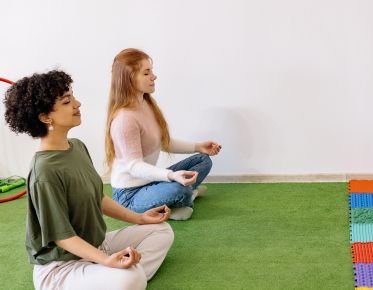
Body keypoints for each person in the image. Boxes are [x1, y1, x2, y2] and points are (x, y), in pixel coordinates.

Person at [3, 70, 174, 290]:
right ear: (45, 117)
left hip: (96, 245)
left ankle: (119, 274)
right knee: (131, 278)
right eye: (67, 101)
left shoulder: (77, 147)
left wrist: (139, 218)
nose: (77, 103)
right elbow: (62, 237)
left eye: (72, 96)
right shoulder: (43, 171)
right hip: (62, 268)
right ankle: (124, 275)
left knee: (161, 231)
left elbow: (97, 198)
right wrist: (106, 260)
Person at [105, 48, 221, 220]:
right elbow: (134, 167)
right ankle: (184, 197)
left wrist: (198, 146)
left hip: (151, 181)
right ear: (130, 78)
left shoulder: (146, 104)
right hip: (129, 196)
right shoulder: (124, 119)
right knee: (178, 189)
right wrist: (171, 176)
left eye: (151, 71)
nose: (154, 76)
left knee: (203, 160)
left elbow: (162, 142)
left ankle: (183, 198)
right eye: (146, 73)